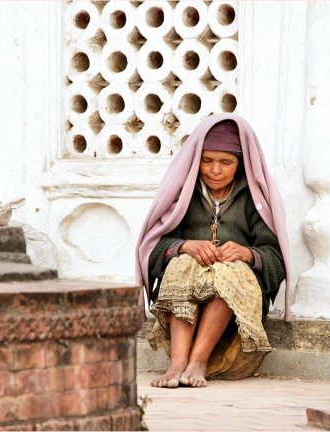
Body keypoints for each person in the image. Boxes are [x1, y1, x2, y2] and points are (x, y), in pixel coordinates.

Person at [135, 113, 290, 388]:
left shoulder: (254, 202)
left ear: (240, 165)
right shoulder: (182, 196)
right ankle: (177, 364)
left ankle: (198, 362)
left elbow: (277, 259)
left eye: (226, 162)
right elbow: (152, 249)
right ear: (197, 160)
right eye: (207, 160)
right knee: (184, 263)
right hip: (184, 297)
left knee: (228, 273)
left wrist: (248, 255)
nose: (215, 170)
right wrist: (182, 246)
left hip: (234, 312)